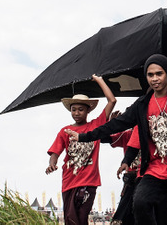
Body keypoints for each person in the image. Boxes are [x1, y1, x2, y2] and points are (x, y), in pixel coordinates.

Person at [66, 54, 167, 225]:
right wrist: (84, 136)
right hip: (154, 169)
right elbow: (115, 125)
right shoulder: (142, 104)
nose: (155, 79)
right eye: (150, 75)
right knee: (140, 203)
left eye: (159, 74)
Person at [46, 75, 117, 225]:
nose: (77, 113)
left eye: (80, 109)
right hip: (69, 182)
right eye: (73, 110)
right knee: (71, 219)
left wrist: (99, 80)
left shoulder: (95, 126)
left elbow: (112, 100)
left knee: (82, 218)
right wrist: (52, 163)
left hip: (89, 182)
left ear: (88, 110)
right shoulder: (65, 131)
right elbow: (55, 152)